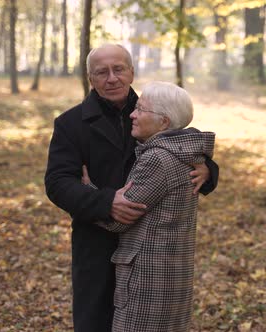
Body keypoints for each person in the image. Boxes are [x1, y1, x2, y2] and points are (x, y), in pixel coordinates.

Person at [44, 44, 218, 332]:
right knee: (95, 321)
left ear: (131, 72)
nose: (111, 78)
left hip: (149, 250)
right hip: (97, 243)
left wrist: (209, 169)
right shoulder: (70, 124)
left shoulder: (152, 108)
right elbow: (57, 182)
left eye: (119, 69)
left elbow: (181, 144)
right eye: (102, 72)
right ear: (91, 79)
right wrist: (104, 201)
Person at [82, 81, 215, 332]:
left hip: (147, 281)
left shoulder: (157, 159)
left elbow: (120, 217)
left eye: (141, 109)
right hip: (173, 275)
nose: (132, 114)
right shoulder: (188, 153)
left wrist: (88, 193)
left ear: (164, 122)